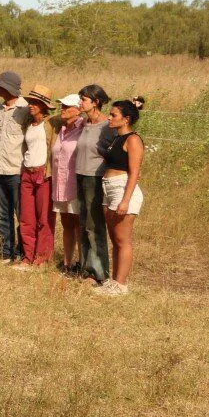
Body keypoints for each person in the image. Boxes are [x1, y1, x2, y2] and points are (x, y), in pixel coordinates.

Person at [95, 99, 144, 296]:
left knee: (123, 239)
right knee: (115, 239)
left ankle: (121, 285)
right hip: (109, 188)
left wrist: (125, 200)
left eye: (114, 115)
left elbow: (134, 172)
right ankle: (114, 281)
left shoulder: (133, 140)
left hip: (123, 188)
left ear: (126, 119)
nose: (109, 117)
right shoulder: (116, 138)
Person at [0, 70, 30, 264]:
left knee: (20, 213)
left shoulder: (25, 109)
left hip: (16, 170)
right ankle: (7, 252)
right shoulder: (0, 109)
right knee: (1, 214)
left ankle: (22, 251)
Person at [15, 84, 56, 270]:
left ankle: (41, 258)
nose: (31, 105)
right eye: (30, 101)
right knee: (26, 217)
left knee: (44, 218)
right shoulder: (28, 124)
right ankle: (28, 255)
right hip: (28, 172)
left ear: (44, 105)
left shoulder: (52, 123)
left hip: (43, 173)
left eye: (35, 102)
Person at [75, 85, 114, 284]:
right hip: (80, 175)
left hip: (95, 178)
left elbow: (117, 150)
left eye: (83, 99)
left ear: (95, 102)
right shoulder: (84, 123)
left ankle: (99, 272)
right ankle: (85, 268)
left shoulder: (107, 125)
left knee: (94, 225)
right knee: (83, 224)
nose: (80, 103)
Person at [52, 93, 84, 275]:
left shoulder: (84, 128)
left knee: (79, 224)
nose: (62, 109)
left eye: (66, 106)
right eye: (61, 106)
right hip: (60, 184)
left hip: (75, 184)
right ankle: (67, 262)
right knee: (66, 224)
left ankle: (82, 261)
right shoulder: (62, 130)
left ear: (78, 110)